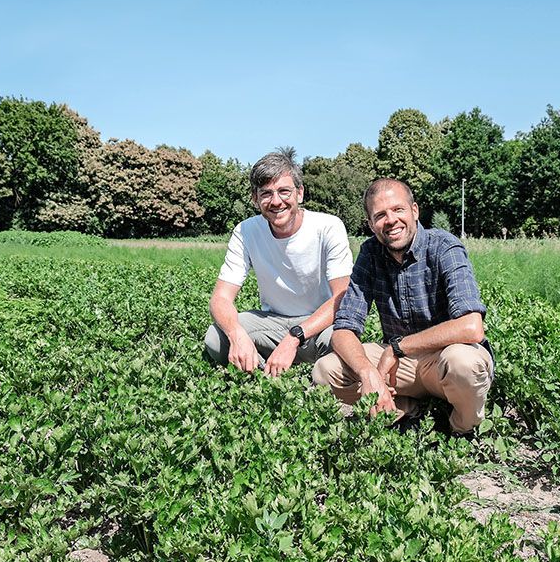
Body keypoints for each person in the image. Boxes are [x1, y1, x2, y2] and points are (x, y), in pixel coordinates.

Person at [312, 178, 495, 433]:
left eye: (398, 210)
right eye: (380, 215)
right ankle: (407, 410)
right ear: (371, 224)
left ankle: (459, 430)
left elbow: (471, 327)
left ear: (414, 211)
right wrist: (368, 373)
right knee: (325, 370)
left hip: (443, 359)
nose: (391, 220)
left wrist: (397, 348)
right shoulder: (370, 254)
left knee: (464, 363)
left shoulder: (444, 247)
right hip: (401, 366)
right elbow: (343, 329)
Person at [204, 152, 352, 377]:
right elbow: (220, 298)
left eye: (284, 191)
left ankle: (287, 367)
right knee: (216, 338)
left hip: (318, 324)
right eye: (266, 193)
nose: (276, 201)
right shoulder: (246, 231)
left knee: (341, 339)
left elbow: (342, 297)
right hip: (272, 323)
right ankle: (267, 369)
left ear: (299, 193)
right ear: (255, 199)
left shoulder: (328, 227)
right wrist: (236, 334)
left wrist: (295, 337)